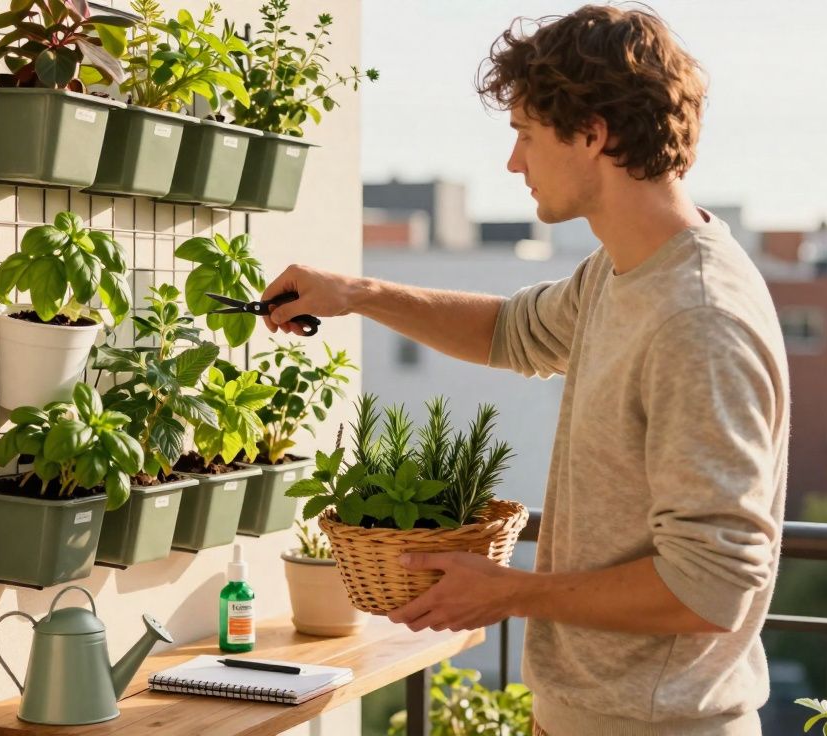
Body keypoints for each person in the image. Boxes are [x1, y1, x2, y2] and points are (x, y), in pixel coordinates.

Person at [260, 5, 788, 735]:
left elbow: (710, 589)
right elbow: (512, 331)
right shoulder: (620, 273)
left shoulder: (697, 319)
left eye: (526, 135)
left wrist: (509, 593)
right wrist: (358, 294)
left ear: (592, 133)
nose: (514, 163)